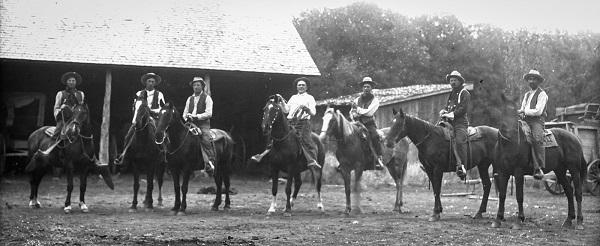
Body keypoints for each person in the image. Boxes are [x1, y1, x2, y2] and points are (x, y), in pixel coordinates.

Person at [251, 77, 321, 169]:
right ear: (296, 87)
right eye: (299, 85)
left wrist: (307, 109)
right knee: (275, 136)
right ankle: (263, 154)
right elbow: (286, 110)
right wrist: (282, 102)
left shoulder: (310, 98)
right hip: (290, 122)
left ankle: (312, 160)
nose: (301, 86)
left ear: (306, 87)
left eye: (303, 85)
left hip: (303, 123)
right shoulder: (293, 97)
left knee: (306, 140)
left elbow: (313, 113)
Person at [439, 71, 470, 180]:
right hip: (449, 122)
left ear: (459, 81)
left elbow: (462, 109)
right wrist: (443, 111)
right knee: (435, 134)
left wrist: (450, 114)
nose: (452, 82)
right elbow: (448, 107)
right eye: (451, 80)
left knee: (460, 141)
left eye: (454, 80)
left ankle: (462, 167)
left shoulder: (464, 93)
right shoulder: (451, 93)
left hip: (460, 123)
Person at [518, 69, 548, 180]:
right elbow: (522, 108)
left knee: (536, 139)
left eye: (534, 79)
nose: (531, 81)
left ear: (538, 81)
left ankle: (538, 167)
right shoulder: (527, 95)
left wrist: (523, 112)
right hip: (526, 121)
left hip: (537, 121)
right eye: (530, 79)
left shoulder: (542, 94)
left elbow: (538, 111)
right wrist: (519, 113)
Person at [350, 76, 384, 170]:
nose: (366, 89)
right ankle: (347, 159)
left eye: (368, 87)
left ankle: (379, 158)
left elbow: (369, 112)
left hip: (369, 124)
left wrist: (358, 110)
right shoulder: (357, 100)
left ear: (371, 88)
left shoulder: (375, 100)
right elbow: (352, 111)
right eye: (364, 87)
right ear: (362, 88)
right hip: (357, 123)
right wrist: (353, 114)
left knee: (375, 136)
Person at [183, 77, 215, 173]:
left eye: (198, 85)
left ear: (202, 87)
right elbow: (184, 113)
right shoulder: (190, 99)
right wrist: (187, 117)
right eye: (194, 85)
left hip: (202, 124)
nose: (196, 87)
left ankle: (210, 161)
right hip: (190, 124)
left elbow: (209, 113)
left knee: (205, 139)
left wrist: (196, 117)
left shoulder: (207, 98)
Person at [53, 72, 85, 139]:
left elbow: (81, 106)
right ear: (66, 82)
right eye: (69, 81)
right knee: (58, 129)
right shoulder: (61, 93)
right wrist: (60, 111)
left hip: (76, 117)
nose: (71, 82)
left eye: (73, 81)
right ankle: (54, 143)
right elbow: (56, 107)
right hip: (64, 118)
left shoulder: (80, 94)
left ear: (76, 82)